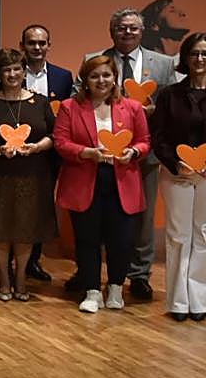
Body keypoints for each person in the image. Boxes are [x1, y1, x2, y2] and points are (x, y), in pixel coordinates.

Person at [84, 8, 180, 302]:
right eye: (121, 28)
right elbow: (79, 97)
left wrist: (150, 111)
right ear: (111, 31)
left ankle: (139, 275)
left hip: (143, 153)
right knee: (98, 217)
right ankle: (92, 276)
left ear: (142, 31)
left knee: (142, 217)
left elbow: (173, 104)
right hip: (100, 154)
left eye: (133, 28)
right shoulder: (94, 58)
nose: (127, 32)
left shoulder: (163, 63)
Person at [53, 56, 150, 314]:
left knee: (122, 240)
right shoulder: (69, 107)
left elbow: (144, 141)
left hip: (122, 180)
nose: (101, 81)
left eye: (106, 75)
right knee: (87, 238)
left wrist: (134, 152)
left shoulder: (132, 107)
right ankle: (92, 291)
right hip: (85, 179)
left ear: (115, 77)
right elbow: (60, 142)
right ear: (85, 80)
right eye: (94, 76)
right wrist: (86, 152)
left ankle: (116, 287)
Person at [0, 48, 57, 302]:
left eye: (17, 69)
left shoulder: (40, 102)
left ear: (24, 72)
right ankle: (4, 277)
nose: (12, 74)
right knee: (0, 227)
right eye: (7, 70)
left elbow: (53, 135)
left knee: (26, 227)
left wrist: (37, 147)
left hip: (32, 174)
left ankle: (22, 277)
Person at [150, 32, 206, 321]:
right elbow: (158, 137)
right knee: (178, 235)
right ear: (185, 57)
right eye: (194, 53)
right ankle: (178, 302)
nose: (200, 59)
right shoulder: (169, 95)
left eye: (205, 54)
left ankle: (199, 300)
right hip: (177, 174)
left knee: (204, 235)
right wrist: (176, 164)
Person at [19, 24, 74, 284]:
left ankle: (33, 260)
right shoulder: (12, 72)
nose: (37, 47)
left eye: (42, 43)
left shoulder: (63, 77)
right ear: (23, 46)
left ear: (49, 45)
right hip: (14, 150)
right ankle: (11, 261)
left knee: (40, 207)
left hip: (48, 152)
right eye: (32, 43)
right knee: (14, 207)